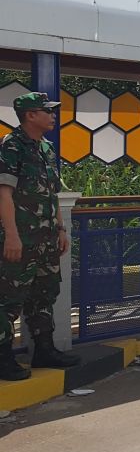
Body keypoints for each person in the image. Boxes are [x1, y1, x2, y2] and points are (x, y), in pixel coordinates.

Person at [0, 92, 80, 380]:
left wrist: (60, 228)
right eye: (47, 111)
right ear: (30, 115)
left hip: (46, 239)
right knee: (9, 300)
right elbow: (3, 194)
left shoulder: (45, 148)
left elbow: (52, 194)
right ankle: (4, 358)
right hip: (20, 239)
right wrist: (11, 235)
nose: (53, 115)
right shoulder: (12, 147)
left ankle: (44, 350)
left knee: (44, 294)